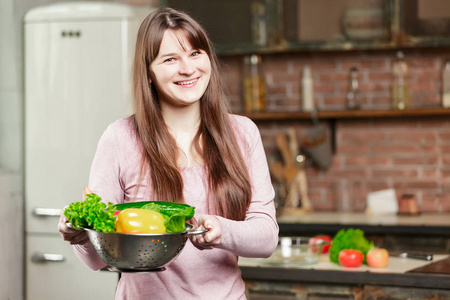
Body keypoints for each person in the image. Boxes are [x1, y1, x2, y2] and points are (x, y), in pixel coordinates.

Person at [58, 7, 278, 300]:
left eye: (196, 53)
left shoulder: (242, 133)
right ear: (148, 72)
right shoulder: (121, 139)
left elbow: (266, 238)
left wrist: (220, 230)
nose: (188, 69)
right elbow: (98, 258)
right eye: (170, 59)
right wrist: (81, 237)